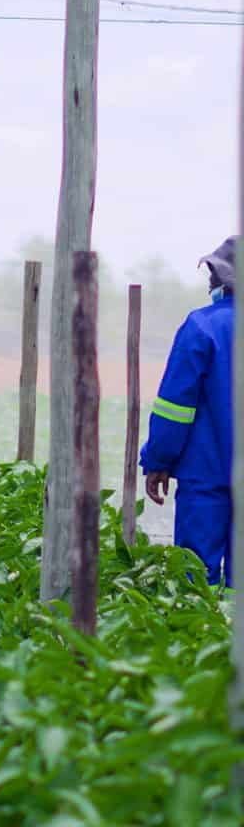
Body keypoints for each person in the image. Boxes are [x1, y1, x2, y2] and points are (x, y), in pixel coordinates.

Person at [141, 236, 236, 586]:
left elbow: (174, 408)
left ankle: (200, 640)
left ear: (220, 281)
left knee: (195, 584)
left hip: (205, 480)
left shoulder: (201, 327)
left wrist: (157, 462)